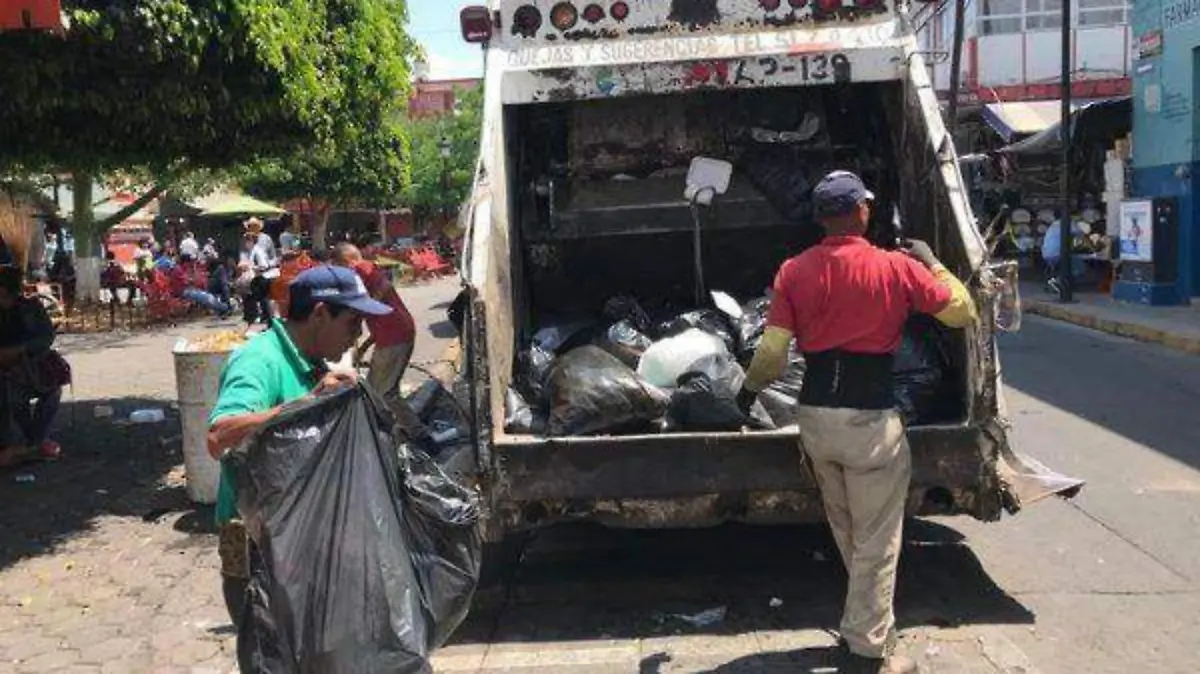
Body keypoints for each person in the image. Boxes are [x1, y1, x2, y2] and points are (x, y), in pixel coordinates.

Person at [736, 171, 976, 674]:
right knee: (876, 541)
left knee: (848, 529)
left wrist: (746, 394)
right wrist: (933, 263)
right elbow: (961, 313)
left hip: (816, 421)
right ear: (863, 212)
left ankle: (870, 630)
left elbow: (773, 353)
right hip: (870, 423)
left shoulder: (793, 271)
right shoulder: (895, 266)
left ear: (820, 217)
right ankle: (866, 653)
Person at [205, 264, 391, 641]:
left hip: (299, 537)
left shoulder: (310, 361)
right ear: (320, 315)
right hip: (260, 549)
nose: (358, 335)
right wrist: (307, 403)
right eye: (352, 323)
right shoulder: (260, 360)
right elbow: (219, 436)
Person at [330, 243, 416, 405]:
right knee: (380, 390)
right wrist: (363, 347)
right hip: (396, 333)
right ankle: (393, 420)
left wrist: (366, 307)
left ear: (347, 261)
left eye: (338, 267)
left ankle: (406, 422)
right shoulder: (368, 269)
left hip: (394, 337)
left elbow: (385, 286)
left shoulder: (360, 269)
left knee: (381, 394)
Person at [0, 266, 68, 467]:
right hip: (4, 371)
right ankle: (28, 444)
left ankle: (33, 441)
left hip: (30, 366)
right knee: (12, 399)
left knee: (53, 390)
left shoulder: (31, 307)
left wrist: (21, 349)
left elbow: (46, 337)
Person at [238, 233, 275, 325]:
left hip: (262, 278)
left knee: (263, 300)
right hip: (258, 278)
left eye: (247, 241)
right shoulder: (252, 251)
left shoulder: (257, 251)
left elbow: (264, 265)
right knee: (261, 300)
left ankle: (267, 320)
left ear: (251, 242)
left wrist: (251, 267)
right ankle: (262, 319)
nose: (245, 243)